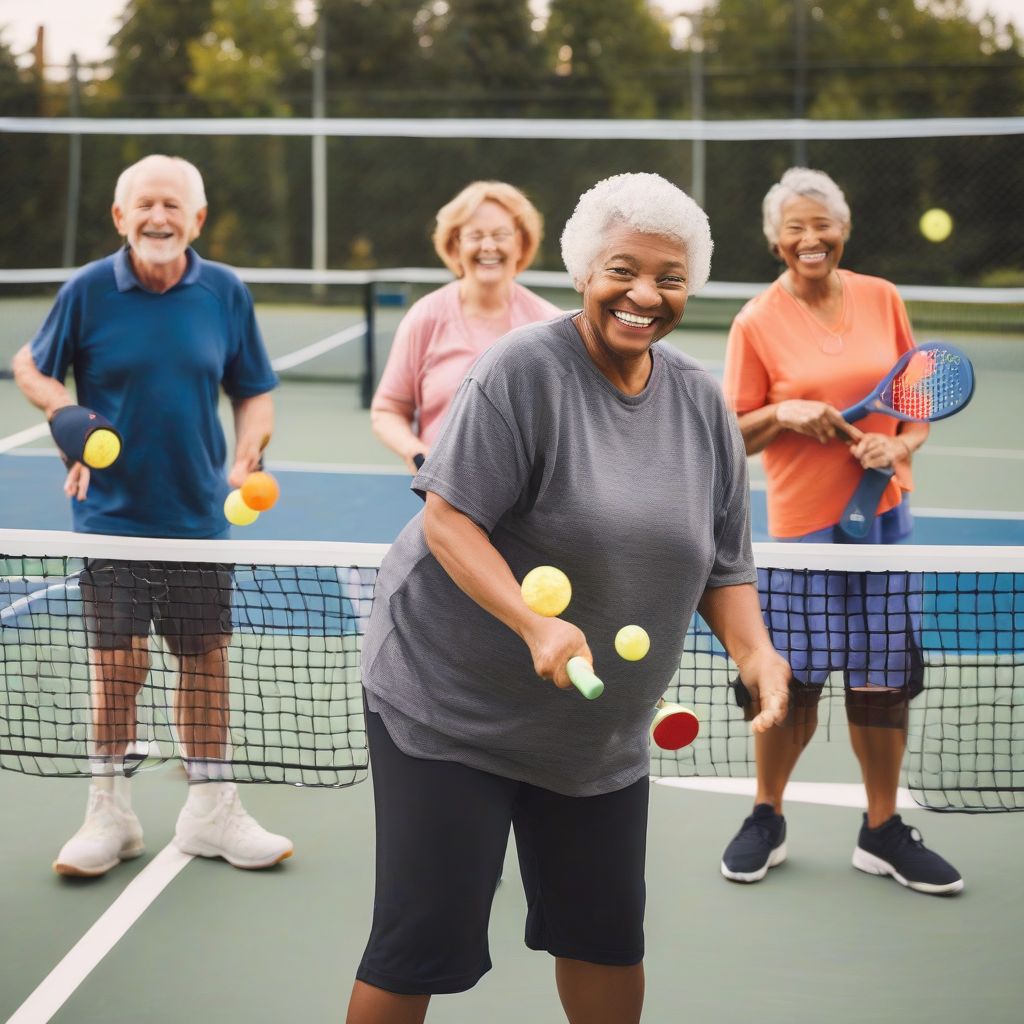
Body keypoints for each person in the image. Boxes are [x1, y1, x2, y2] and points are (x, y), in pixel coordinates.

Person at [345, 173, 791, 1024]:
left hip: (596, 736)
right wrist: (531, 621)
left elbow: (724, 565)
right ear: (585, 269)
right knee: (420, 943)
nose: (644, 295)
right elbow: (448, 524)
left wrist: (755, 652)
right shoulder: (522, 372)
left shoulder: (701, 404)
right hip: (451, 712)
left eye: (668, 278)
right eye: (623, 269)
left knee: (606, 939)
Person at [12, 154, 293, 877]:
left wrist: (248, 452)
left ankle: (212, 810)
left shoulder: (225, 293)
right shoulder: (87, 292)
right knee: (118, 668)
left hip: (199, 517)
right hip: (111, 517)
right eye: (145, 205)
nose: (158, 218)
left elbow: (253, 388)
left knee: (205, 665)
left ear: (197, 219)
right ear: (120, 216)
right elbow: (31, 366)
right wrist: (64, 412)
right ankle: (108, 814)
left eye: (173, 205)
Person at [719, 166, 963, 895]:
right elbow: (730, 433)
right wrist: (782, 413)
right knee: (791, 682)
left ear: (843, 231)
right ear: (775, 242)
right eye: (794, 228)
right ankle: (766, 815)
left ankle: (882, 829)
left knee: (884, 680)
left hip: (884, 517)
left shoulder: (883, 299)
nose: (810, 238)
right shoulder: (755, 321)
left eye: (820, 225)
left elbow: (915, 400)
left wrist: (901, 446)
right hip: (801, 529)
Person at [370, 180, 561, 472]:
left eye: (500, 234)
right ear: (455, 244)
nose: (488, 246)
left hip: (527, 507)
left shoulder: (549, 324)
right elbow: (387, 410)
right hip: (441, 499)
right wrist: (416, 452)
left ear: (521, 243)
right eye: (475, 235)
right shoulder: (426, 316)